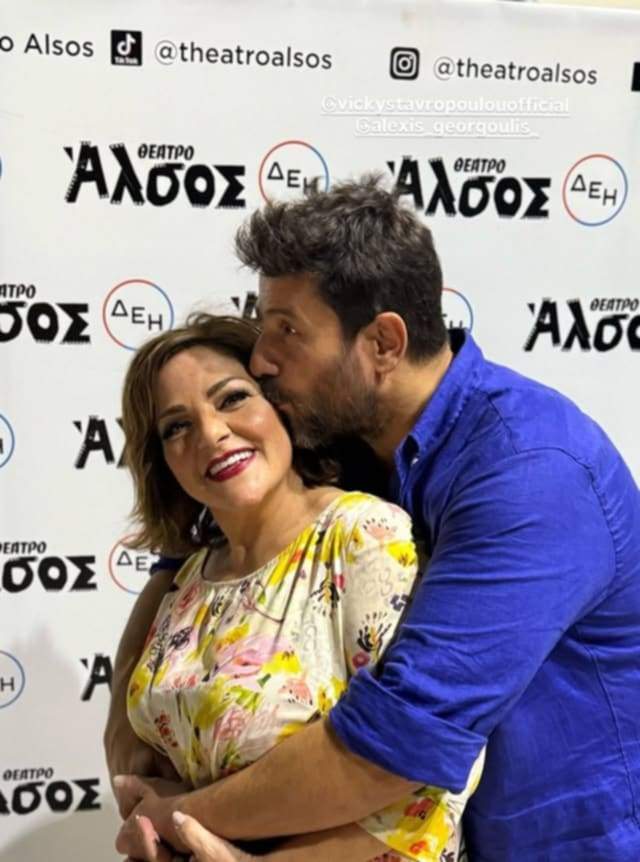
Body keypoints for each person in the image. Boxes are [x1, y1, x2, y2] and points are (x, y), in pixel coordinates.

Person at [109, 175, 640, 862]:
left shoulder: (531, 471)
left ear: (384, 342)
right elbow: (187, 554)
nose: (263, 360)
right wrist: (124, 721)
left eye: (288, 332)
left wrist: (175, 819)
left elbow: (398, 740)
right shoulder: (351, 436)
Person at [111, 312, 484, 862]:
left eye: (232, 399)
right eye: (177, 426)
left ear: (282, 406)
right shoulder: (187, 580)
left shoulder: (362, 537)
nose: (211, 433)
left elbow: (432, 786)